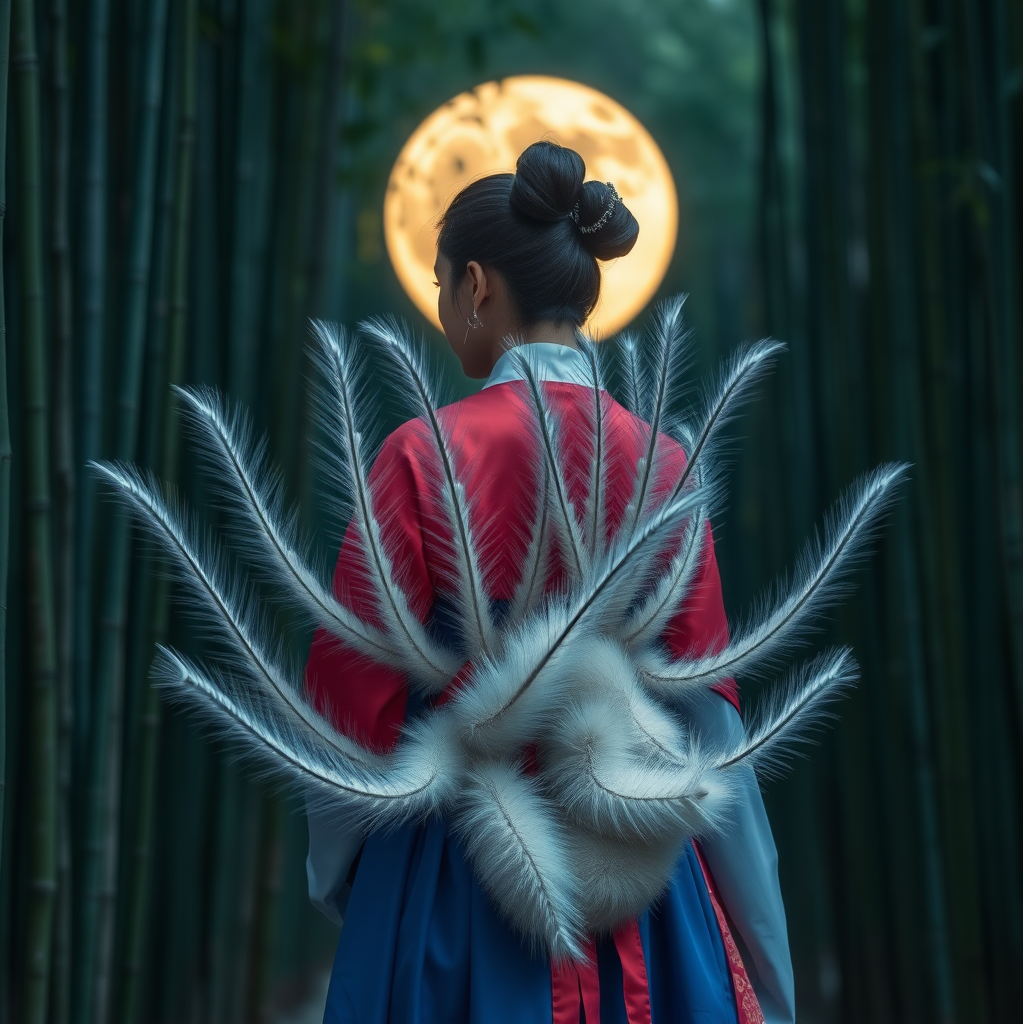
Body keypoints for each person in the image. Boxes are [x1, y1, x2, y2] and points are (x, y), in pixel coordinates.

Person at [303, 141, 796, 1024]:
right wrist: (764, 953)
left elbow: (349, 711)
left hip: (455, 868)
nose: (443, 306)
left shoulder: (419, 457)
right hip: (640, 875)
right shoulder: (665, 466)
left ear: (479, 285)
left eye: (442, 281)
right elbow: (712, 725)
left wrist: (347, 880)